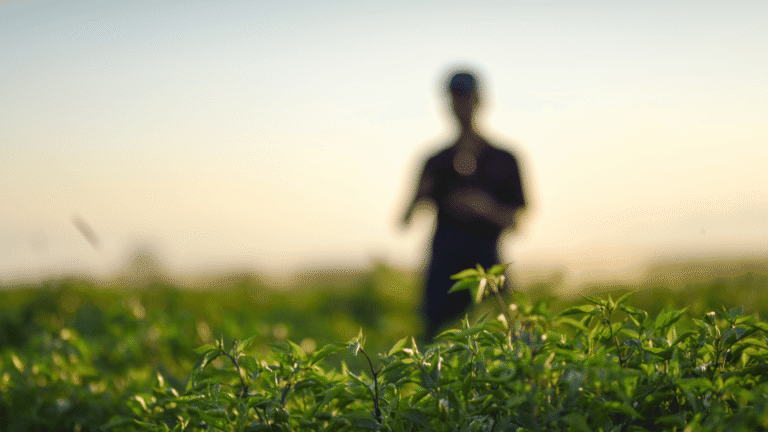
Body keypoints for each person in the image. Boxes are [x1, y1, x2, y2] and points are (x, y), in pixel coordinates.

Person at [401, 70, 527, 340]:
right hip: (442, 277)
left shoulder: (504, 159)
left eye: (466, 98)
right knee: (435, 346)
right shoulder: (435, 161)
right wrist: (419, 196)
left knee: (505, 339)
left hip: (488, 270)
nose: (461, 106)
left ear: (479, 101)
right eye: (455, 99)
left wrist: (483, 208)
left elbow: (516, 221)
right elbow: (405, 219)